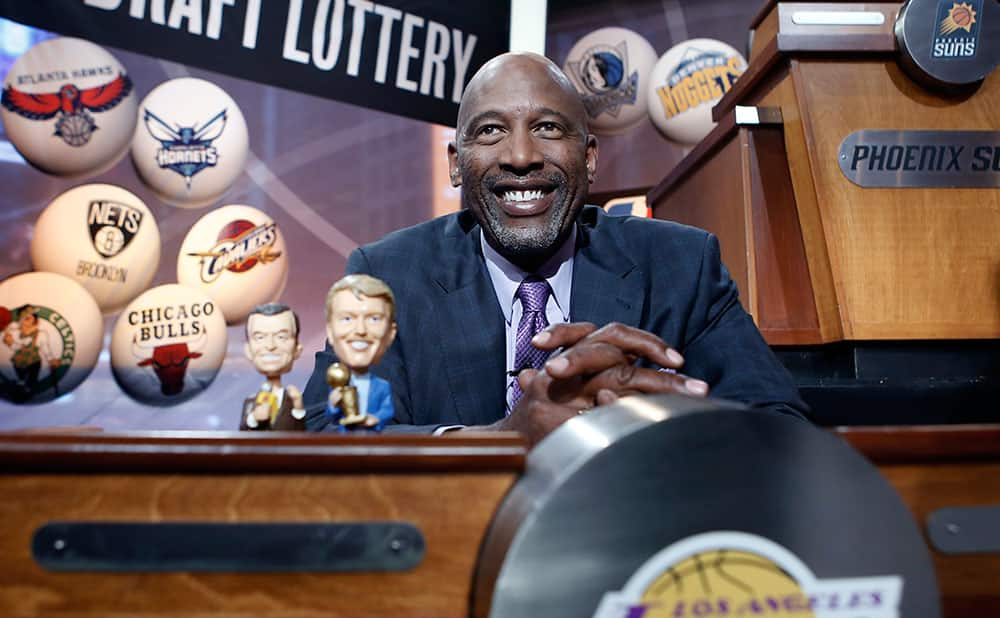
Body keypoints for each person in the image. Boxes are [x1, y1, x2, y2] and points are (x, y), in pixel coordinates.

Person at [303, 52, 808, 446]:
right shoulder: (388, 275)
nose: (521, 156)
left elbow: (780, 427)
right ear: (457, 163)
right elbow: (329, 433)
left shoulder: (683, 265)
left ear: (589, 157)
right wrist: (497, 441)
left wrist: (651, 426)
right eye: (491, 131)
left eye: (547, 128)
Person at [306, 274, 396, 433]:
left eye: (374, 319)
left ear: (391, 333)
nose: (360, 330)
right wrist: (333, 405)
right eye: (347, 319)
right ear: (330, 331)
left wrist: (375, 419)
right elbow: (324, 420)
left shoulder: (382, 387)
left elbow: (386, 411)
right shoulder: (336, 387)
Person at [240, 302, 305, 431]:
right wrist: (254, 418)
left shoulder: (294, 400)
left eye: (281, 337)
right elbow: (243, 432)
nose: (270, 346)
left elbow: (301, 433)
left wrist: (298, 409)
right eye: (260, 337)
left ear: (297, 349)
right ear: (248, 350)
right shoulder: (251, 402)